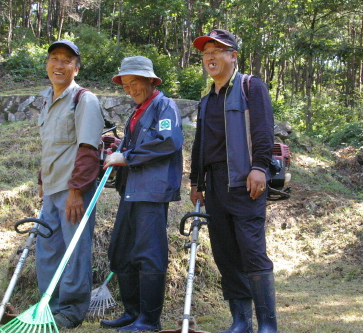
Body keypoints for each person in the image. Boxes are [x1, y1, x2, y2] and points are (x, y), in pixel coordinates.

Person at [189, 29, 278, 333]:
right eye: (205, 52)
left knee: (252, 252)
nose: (210, 57)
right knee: (225, 255)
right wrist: (195, 182)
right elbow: (200, 144)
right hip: (213, 186)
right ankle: (241, 320)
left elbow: (264, 130)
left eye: (217, 50)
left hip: (244, 183)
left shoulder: (250, 86)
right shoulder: (205, 101)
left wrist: (260, 168)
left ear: (233, 56)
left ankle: (267, 324)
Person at [100, 56, 183, 332]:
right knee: (121, 251)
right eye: (125, 84)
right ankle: (132, 312)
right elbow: (129, 147)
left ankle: (149, 320)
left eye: (135, 82)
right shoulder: (135, 112)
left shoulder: (164, 106)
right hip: (131, 191)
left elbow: (168, 141)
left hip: (152, 191)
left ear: (150, 80)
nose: (130, 88)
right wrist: (117, 155)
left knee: (149, 254)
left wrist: (126, 157)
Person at [35, 39, 105, 329]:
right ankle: (48, 306)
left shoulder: (84, 100)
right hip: (51, 190)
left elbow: (88, 149)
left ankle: (71, 311)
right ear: (47, 64)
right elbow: (49, 146)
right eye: (54, 58)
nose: (59, 65)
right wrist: (42, 181)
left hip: (73, 191)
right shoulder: (47, 100)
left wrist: (76, 191)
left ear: (76, 68)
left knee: (75, 252)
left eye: (66, 60)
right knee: (48, 249)